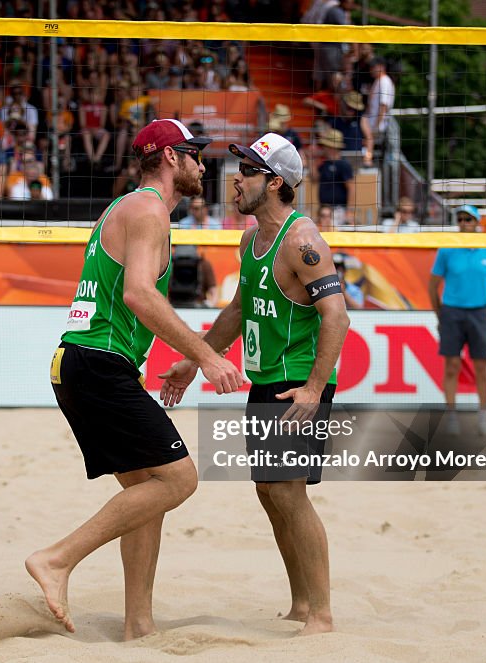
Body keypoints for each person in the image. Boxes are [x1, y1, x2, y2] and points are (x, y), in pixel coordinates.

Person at [27, 119, 245, 639]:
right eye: (193, 153)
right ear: (169, 157)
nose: (201, 164)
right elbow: (139, 296)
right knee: (180, 479)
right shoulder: (149, 209)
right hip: (96, 362)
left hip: (83, 362)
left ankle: (138, 625)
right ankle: (57, 560)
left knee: (150, 490)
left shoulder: (125, 206)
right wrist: (206, 358)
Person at [159, 132, 350, 636]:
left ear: (275, 182)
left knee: (289, 496)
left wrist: (313, 389)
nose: (234, 180)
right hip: (266, 379)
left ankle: (322, 613)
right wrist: (194, 359)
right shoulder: (251, 240)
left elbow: (337, 317)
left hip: (296, 383)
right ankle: (301, 603)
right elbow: (241, 309)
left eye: (246, 172)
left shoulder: (302, 241)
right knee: (269, 492)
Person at [428, 204, 486, 437]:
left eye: (468, 219)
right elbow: (432, 285)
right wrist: (440, 314)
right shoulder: (447, 249)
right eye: (460, 218)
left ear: (477, 222)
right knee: (451, 367)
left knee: (483, 369)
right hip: (452, 312)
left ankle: (483, 417)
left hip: (480, 313)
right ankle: (451, 416)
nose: (463, 222)